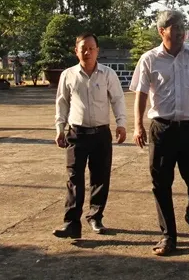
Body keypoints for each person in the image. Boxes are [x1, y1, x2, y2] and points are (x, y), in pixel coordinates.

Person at [130, 10, 189, 256]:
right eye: (175, 28)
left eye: (182, 27)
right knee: (161, 184)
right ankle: (168, 236)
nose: (181, 32)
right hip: (162, 130)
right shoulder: (149, 59)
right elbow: (140, 94)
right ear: (162, 32)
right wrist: (137, 125)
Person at [53, 33, 127, 239]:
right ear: (76, 51)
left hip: (101, 134)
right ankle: (71, 223)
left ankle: (95, 216)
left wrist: (121, 124)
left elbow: (118, 100)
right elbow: (62, 103)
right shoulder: (68, 75)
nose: (87, 52)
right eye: (83, 48)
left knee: (100, 177)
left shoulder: (107, 74)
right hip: (76, 134)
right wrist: (59, 128)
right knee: (74, 178)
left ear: (97, 51)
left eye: (91, 48)